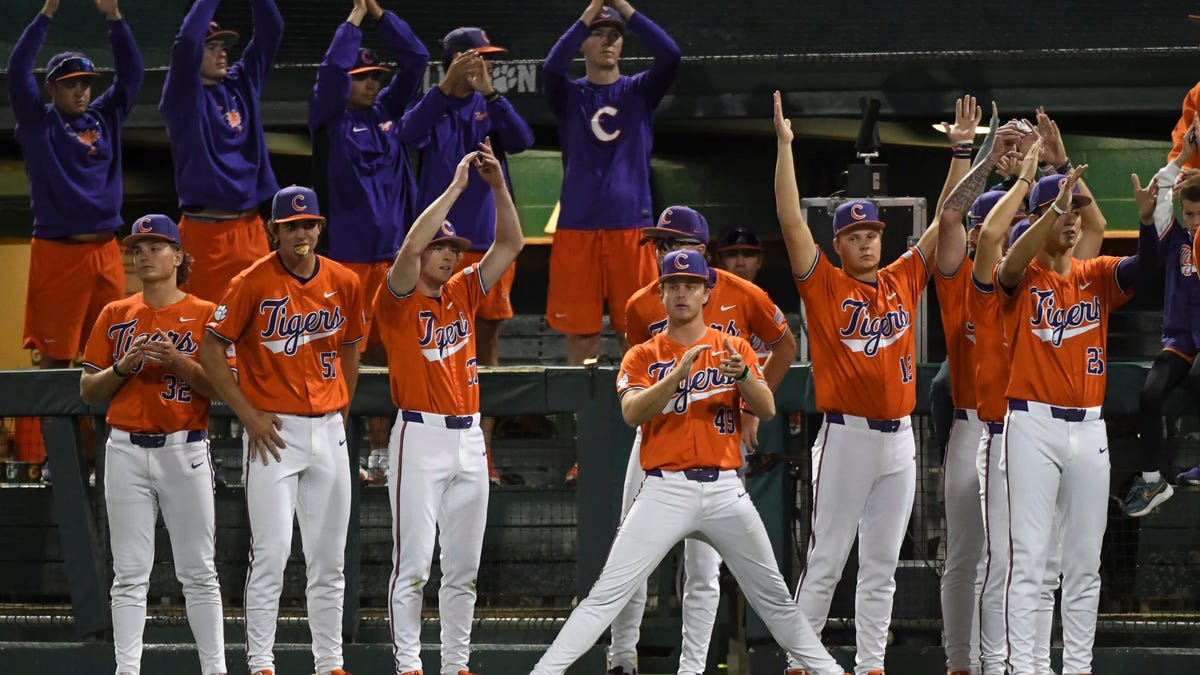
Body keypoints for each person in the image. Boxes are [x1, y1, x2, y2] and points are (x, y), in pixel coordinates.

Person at [773, 90, 1012, 675]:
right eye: (855, 235)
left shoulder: (902, 277)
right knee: (827, 559)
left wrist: (963, 152)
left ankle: (871, 665)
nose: (866, 241)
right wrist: (784, 148)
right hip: (847, 436)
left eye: (872, 233)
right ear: (838, 244)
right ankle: (800, 663)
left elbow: (946, 219)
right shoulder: (824, 285)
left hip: (899, 438)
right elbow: (789, 220)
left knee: (881, 565)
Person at [530, 250, 846, 675]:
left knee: (775, 599)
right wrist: (675, 377)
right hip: (665, 489)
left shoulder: (733, 349)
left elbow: (767, 409)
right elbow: (632, 413)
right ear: (661, 294)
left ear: (706, 293)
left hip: (725, 489)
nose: (682, 293)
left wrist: (744, 376)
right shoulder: (642, 355)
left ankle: (830, 671)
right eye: (673, 286)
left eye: (691, 285)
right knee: (606, 594)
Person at [609, 207, 796, 675]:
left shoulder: (742, 293)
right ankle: (621, 658)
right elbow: (636, 369)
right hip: (658, 440)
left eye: (670, 243)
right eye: (658, 245)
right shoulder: (642, 303)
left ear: (698, 249)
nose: (661, 252)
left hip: (715, 440)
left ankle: (692, 669)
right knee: (629, 553)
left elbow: (785, 345)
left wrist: (750, 405)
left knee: (704, 567)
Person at [997, 164, 1157, 675]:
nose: (1072, 219)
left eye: (1076, 211)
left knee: (1085, 562)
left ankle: (1078, 668)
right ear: (1039, 218)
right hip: (1032, 425)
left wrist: (1148, 223)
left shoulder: (1095, 274)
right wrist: (1050, 206)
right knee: (1031, 560)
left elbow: (1146, 268)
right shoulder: (1022, 275)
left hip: (1089, 428)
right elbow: (1011, 262)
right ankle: (1025, 668)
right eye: (1062, 210)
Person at [372, 139, 524, 675]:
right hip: (420, 435)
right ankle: (409, 666)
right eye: (441, 247)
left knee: (463, 569)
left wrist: (497, 186)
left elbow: (511, 242)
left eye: (454, 248)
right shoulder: (397, 297)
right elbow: (410, 247)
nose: (449, 254)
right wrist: (457, 187)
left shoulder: (463, 291)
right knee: (413, 565)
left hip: (469, 438)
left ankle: (457, 663)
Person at [199, 186, 364, 675]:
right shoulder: (250, 281)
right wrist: (247, 415)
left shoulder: (345, 280)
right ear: (274, 231)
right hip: (273, 432)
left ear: (320, 226)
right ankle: (261, 663)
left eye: (308, 223)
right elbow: (211, 348)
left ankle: (330, 662)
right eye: (291, 226)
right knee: (271, 554)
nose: (301, 233)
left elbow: (351, 345)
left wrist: (343, 407)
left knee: (329, 559)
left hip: (328, 429)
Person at [80, 214, 225, 675]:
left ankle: (215, 669)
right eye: (138, 249)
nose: (144, 255)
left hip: (185, 448)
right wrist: (122, 368)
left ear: (179, 256)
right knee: (128, 575)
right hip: (124, 449)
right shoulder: (115, 313)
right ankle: (127, 670)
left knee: (199, 573)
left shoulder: (207, 313)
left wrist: (180, 363)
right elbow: (88, 389)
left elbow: (223, 389)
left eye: (156, 247)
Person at [400, 22, 535, 485]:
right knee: (428, 341)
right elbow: (406, 134)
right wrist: (444, 88)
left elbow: (522, 140)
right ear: (456, 60)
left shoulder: (489, 104)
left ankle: (483, 451)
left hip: (486, 243)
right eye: (478, 57)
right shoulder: (433, 104)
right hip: (438, 244)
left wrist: (490, 94)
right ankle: (427, 442)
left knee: (485, 343)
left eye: (487, 58)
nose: (485, 65)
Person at [543, 0, 681, 364]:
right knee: (582, 338)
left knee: (636, 333)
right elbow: (552, 67)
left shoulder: (639, 91)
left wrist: (624, 8)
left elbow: (670, 54)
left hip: (630, 227)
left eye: (615, 35)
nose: (608, 41)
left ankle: (641, 402)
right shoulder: (569, 95)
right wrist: (590, 11)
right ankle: (580, 404)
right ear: (583, 43)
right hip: (578, 228)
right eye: (598, 34)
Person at [10, 0, 143, 368]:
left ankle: (103, 412)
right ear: (51, 88)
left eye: (85, 83)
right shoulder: (39, 124)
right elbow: (18, 69)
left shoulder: (105, 116)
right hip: (59, 254)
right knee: (56, 359)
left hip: (106, 251)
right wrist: (46, 14)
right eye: (70, 84)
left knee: (108, 353)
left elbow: (132, 75)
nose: (81, 91)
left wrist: (115, 19)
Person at [310, 0, 429, 364]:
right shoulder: (330, 120)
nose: (371, 84)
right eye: (361, 77)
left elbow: (417, 59)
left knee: (393, 349)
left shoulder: (387, 111)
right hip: (347, 258)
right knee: (346, 351)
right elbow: (331, 69)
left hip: (394, 256)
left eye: (375, 77)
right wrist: (357, 16)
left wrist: (380, 15)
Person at [161, 0, 283, 304]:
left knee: (260, 321)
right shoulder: (183, 95)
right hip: (205, 236)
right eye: (212, 47)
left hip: (251, 229)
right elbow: (187, 40)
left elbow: (272, 28)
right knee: (204, 323)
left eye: (223, 46)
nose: (222, 53)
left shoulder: (241, 83)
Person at [1123, 115, 1200, 513]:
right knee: (1150, 394)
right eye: (1189, 214)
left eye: (1199, 215)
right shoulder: (1176, 239)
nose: (1193, 221)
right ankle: (1153, 482)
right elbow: (1159, 194)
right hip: (1180, 341)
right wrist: (1181, 158)